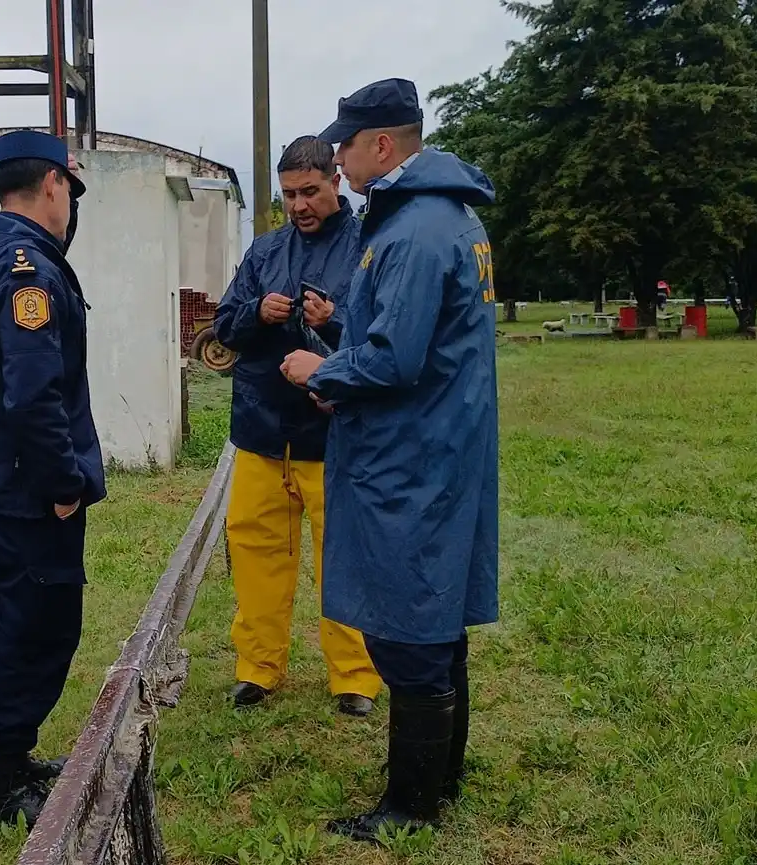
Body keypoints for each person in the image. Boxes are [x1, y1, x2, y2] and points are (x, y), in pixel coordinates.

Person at [281, 78, 500, 841]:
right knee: (434, 620)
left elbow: (394, 360)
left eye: (343, 145)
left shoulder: (409, 231)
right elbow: (421, 334)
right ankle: (443, 775)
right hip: (441, 442)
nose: (336, 161)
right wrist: (345, 323)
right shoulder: (451, 220)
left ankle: (410, 807)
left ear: (382, 145)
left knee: (405, 626)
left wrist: (322, 370)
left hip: (410, 455)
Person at [0, 130, 104, 830]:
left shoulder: (1, 257)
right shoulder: (25, 269)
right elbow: (33, 395)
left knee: (12, 613)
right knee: (34, 621)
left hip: (2, 478)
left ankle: (13, 750)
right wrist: (64, 483)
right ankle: (5, 775)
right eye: (71, 191)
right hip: (32, 488)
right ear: (55, 184)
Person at [214, 135, 381, 717]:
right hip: (261, 431)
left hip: (333, 438)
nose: (299, 204)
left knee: (341, 559)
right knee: (257, 553)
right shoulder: (263, 252)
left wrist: (334, 323)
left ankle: (355, 677)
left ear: (335, 180)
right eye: (289, 194)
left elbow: (385, 340)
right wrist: (257, 312)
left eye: (309, 191)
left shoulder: (368, 246)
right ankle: (258, 668)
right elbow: (224, 328)